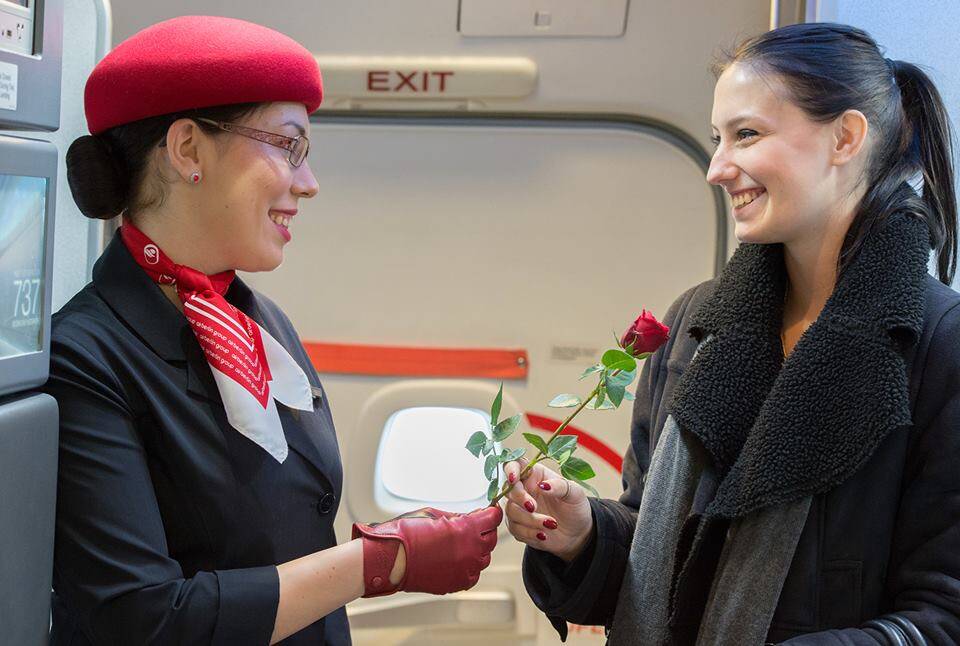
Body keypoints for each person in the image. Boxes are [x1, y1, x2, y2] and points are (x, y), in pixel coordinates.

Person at [47, 16, 501, 646]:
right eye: (289, 146)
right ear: (187, 151)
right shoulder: (85, 355)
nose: (308, 183)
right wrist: (377, 562)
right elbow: (141, 619)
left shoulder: (261, 323)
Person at [503, 23, 960, 645]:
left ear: (845, 137)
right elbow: (654, 554)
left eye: (746, 135)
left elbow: (943, 615)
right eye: (717, 139)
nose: (717, 169)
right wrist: (585, 535)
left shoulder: (939, 346)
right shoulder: (698, 323)